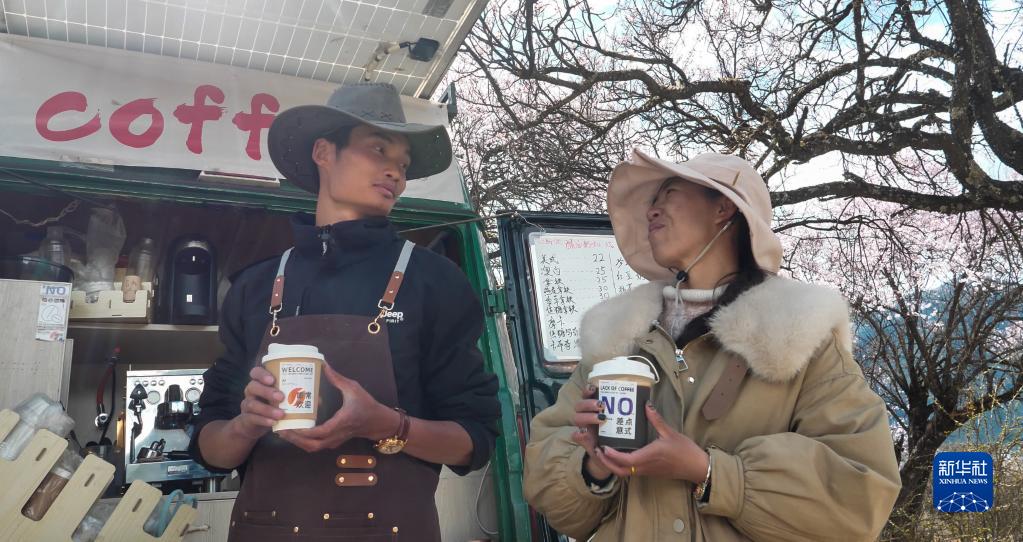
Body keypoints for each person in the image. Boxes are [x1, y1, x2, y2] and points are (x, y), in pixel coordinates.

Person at [522, 149, 901, 541]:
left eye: (669, 193)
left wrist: (711, 473)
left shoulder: (801, 333)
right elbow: (547, 490)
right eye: (651, 201)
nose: (652, 210)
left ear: (723, 207)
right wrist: (594, 464)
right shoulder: (617, 338)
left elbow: (861, 494)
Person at [188, 83, 500, 541]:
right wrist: (245, 424)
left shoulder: (435, 282)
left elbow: (476, 440)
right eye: (379, 149)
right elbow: (210, 447)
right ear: (323, 152)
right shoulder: (255, 287)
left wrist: (387, 424)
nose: (395, 172)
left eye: (404, 164)